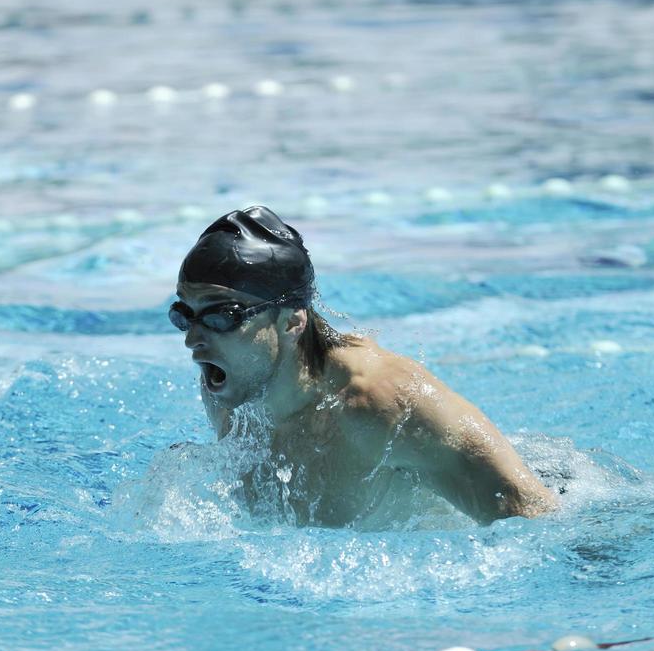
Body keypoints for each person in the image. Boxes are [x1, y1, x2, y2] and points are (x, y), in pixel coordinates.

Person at [170, 206, 558, 527]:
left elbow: (536, 521)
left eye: (222, 317)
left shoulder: (386, 405)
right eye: (185, 316)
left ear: (291, 321)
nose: (193, 339)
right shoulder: (230, 389)